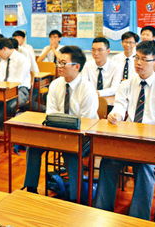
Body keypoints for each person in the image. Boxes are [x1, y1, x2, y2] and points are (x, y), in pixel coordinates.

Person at [95, 41, 155, 220]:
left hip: (152, 144)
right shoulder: (127, 84)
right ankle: (101, 212)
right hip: (128, 141)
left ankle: (137, 219)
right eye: (136, 58)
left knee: (145, 167)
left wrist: (149, 138)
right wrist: (114, 116)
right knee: (108, 161)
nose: (138, 63)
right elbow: (119, 107)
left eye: (144, 60)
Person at [24, 46, 97, 201]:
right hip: (57, 132)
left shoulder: (87, 88)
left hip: (83, 136)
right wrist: (61, 127)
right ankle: (30, 189)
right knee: (33, 146)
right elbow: (50, 112)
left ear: (77, 66)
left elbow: (86, 120)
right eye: (58, 63)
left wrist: (65, 128)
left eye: (64, 63)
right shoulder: (56, 84)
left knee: (71, 153)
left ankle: (74, 198)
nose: (59, 67)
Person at [0, 38, 31, 126]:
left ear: (4, 49)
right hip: (4, 89)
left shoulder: (22, 60)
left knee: (10, 103)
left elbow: (18, 81)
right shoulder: (3, 61)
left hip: (20, 90)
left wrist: (5, 90)